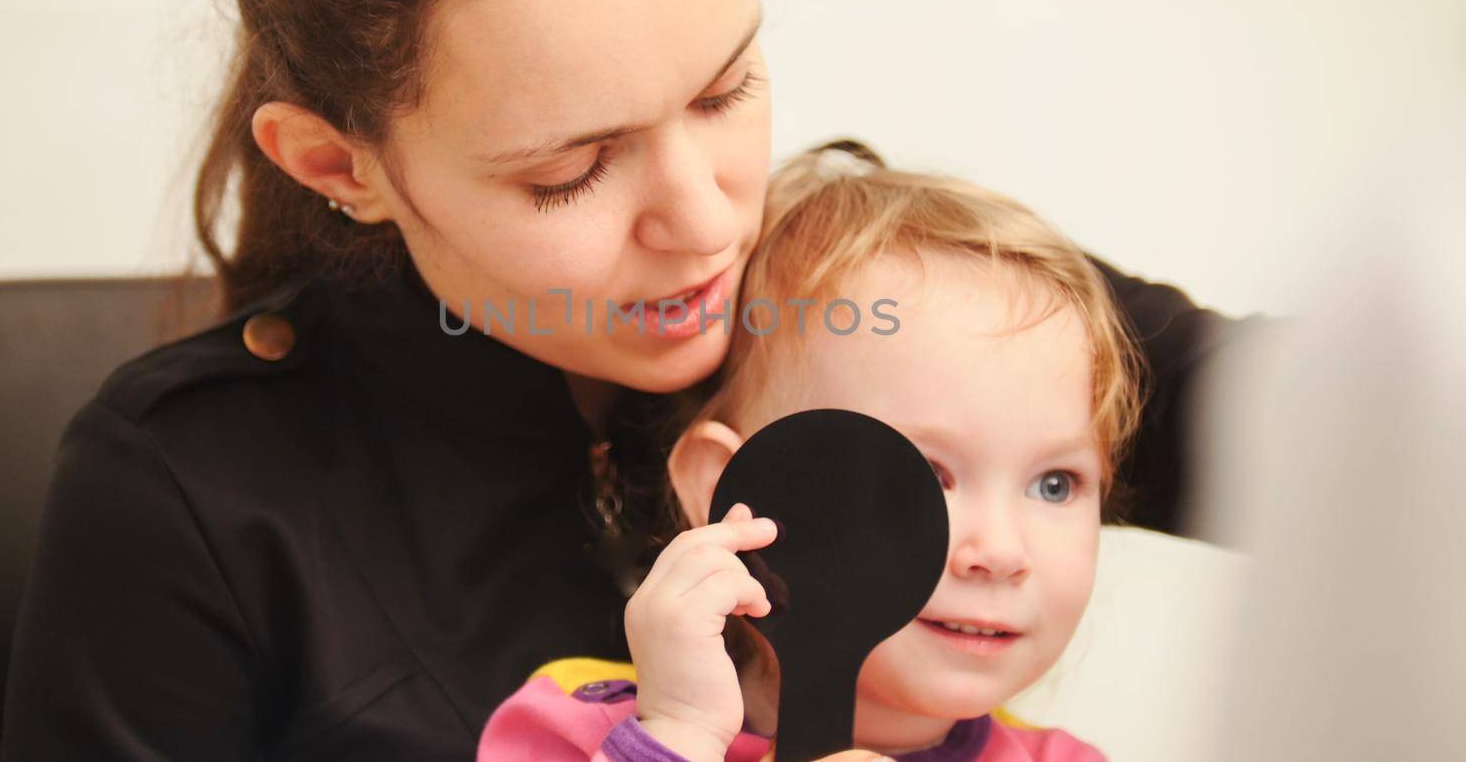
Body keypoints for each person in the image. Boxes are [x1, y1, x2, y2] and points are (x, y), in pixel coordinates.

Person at [0, 0, 1230, 758]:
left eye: (725, 89)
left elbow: (1367, 438)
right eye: (569, 172)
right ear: (340, 165)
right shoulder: (189, 491)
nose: (704, 225)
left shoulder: (866, 305)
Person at [479, 147, 1133, 760]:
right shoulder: (578, 731)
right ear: (730, 490)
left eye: (1055, 483)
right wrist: (680, 733)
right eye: (927, 475)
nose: (1000, 554)